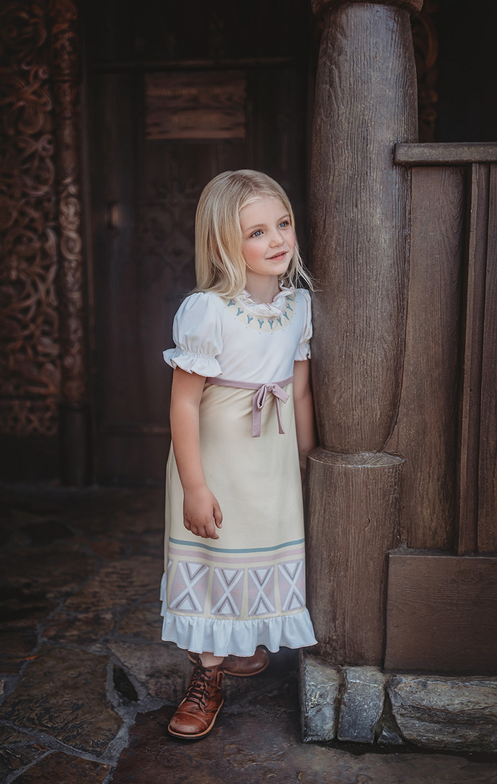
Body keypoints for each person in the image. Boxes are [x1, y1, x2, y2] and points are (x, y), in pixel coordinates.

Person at [161, 169, 317, 740]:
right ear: (225, 243)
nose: (277, 240)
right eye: (257, 232)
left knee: (259, 548)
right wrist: (195, 485)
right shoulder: (209, 311)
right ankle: (206, 677)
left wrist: (305, 459)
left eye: (283, 224)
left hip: (269, 457)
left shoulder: (298, 306)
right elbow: (183, 406)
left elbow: (298, 389)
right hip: (218, 458)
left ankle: (240, 642)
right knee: (213, 559)